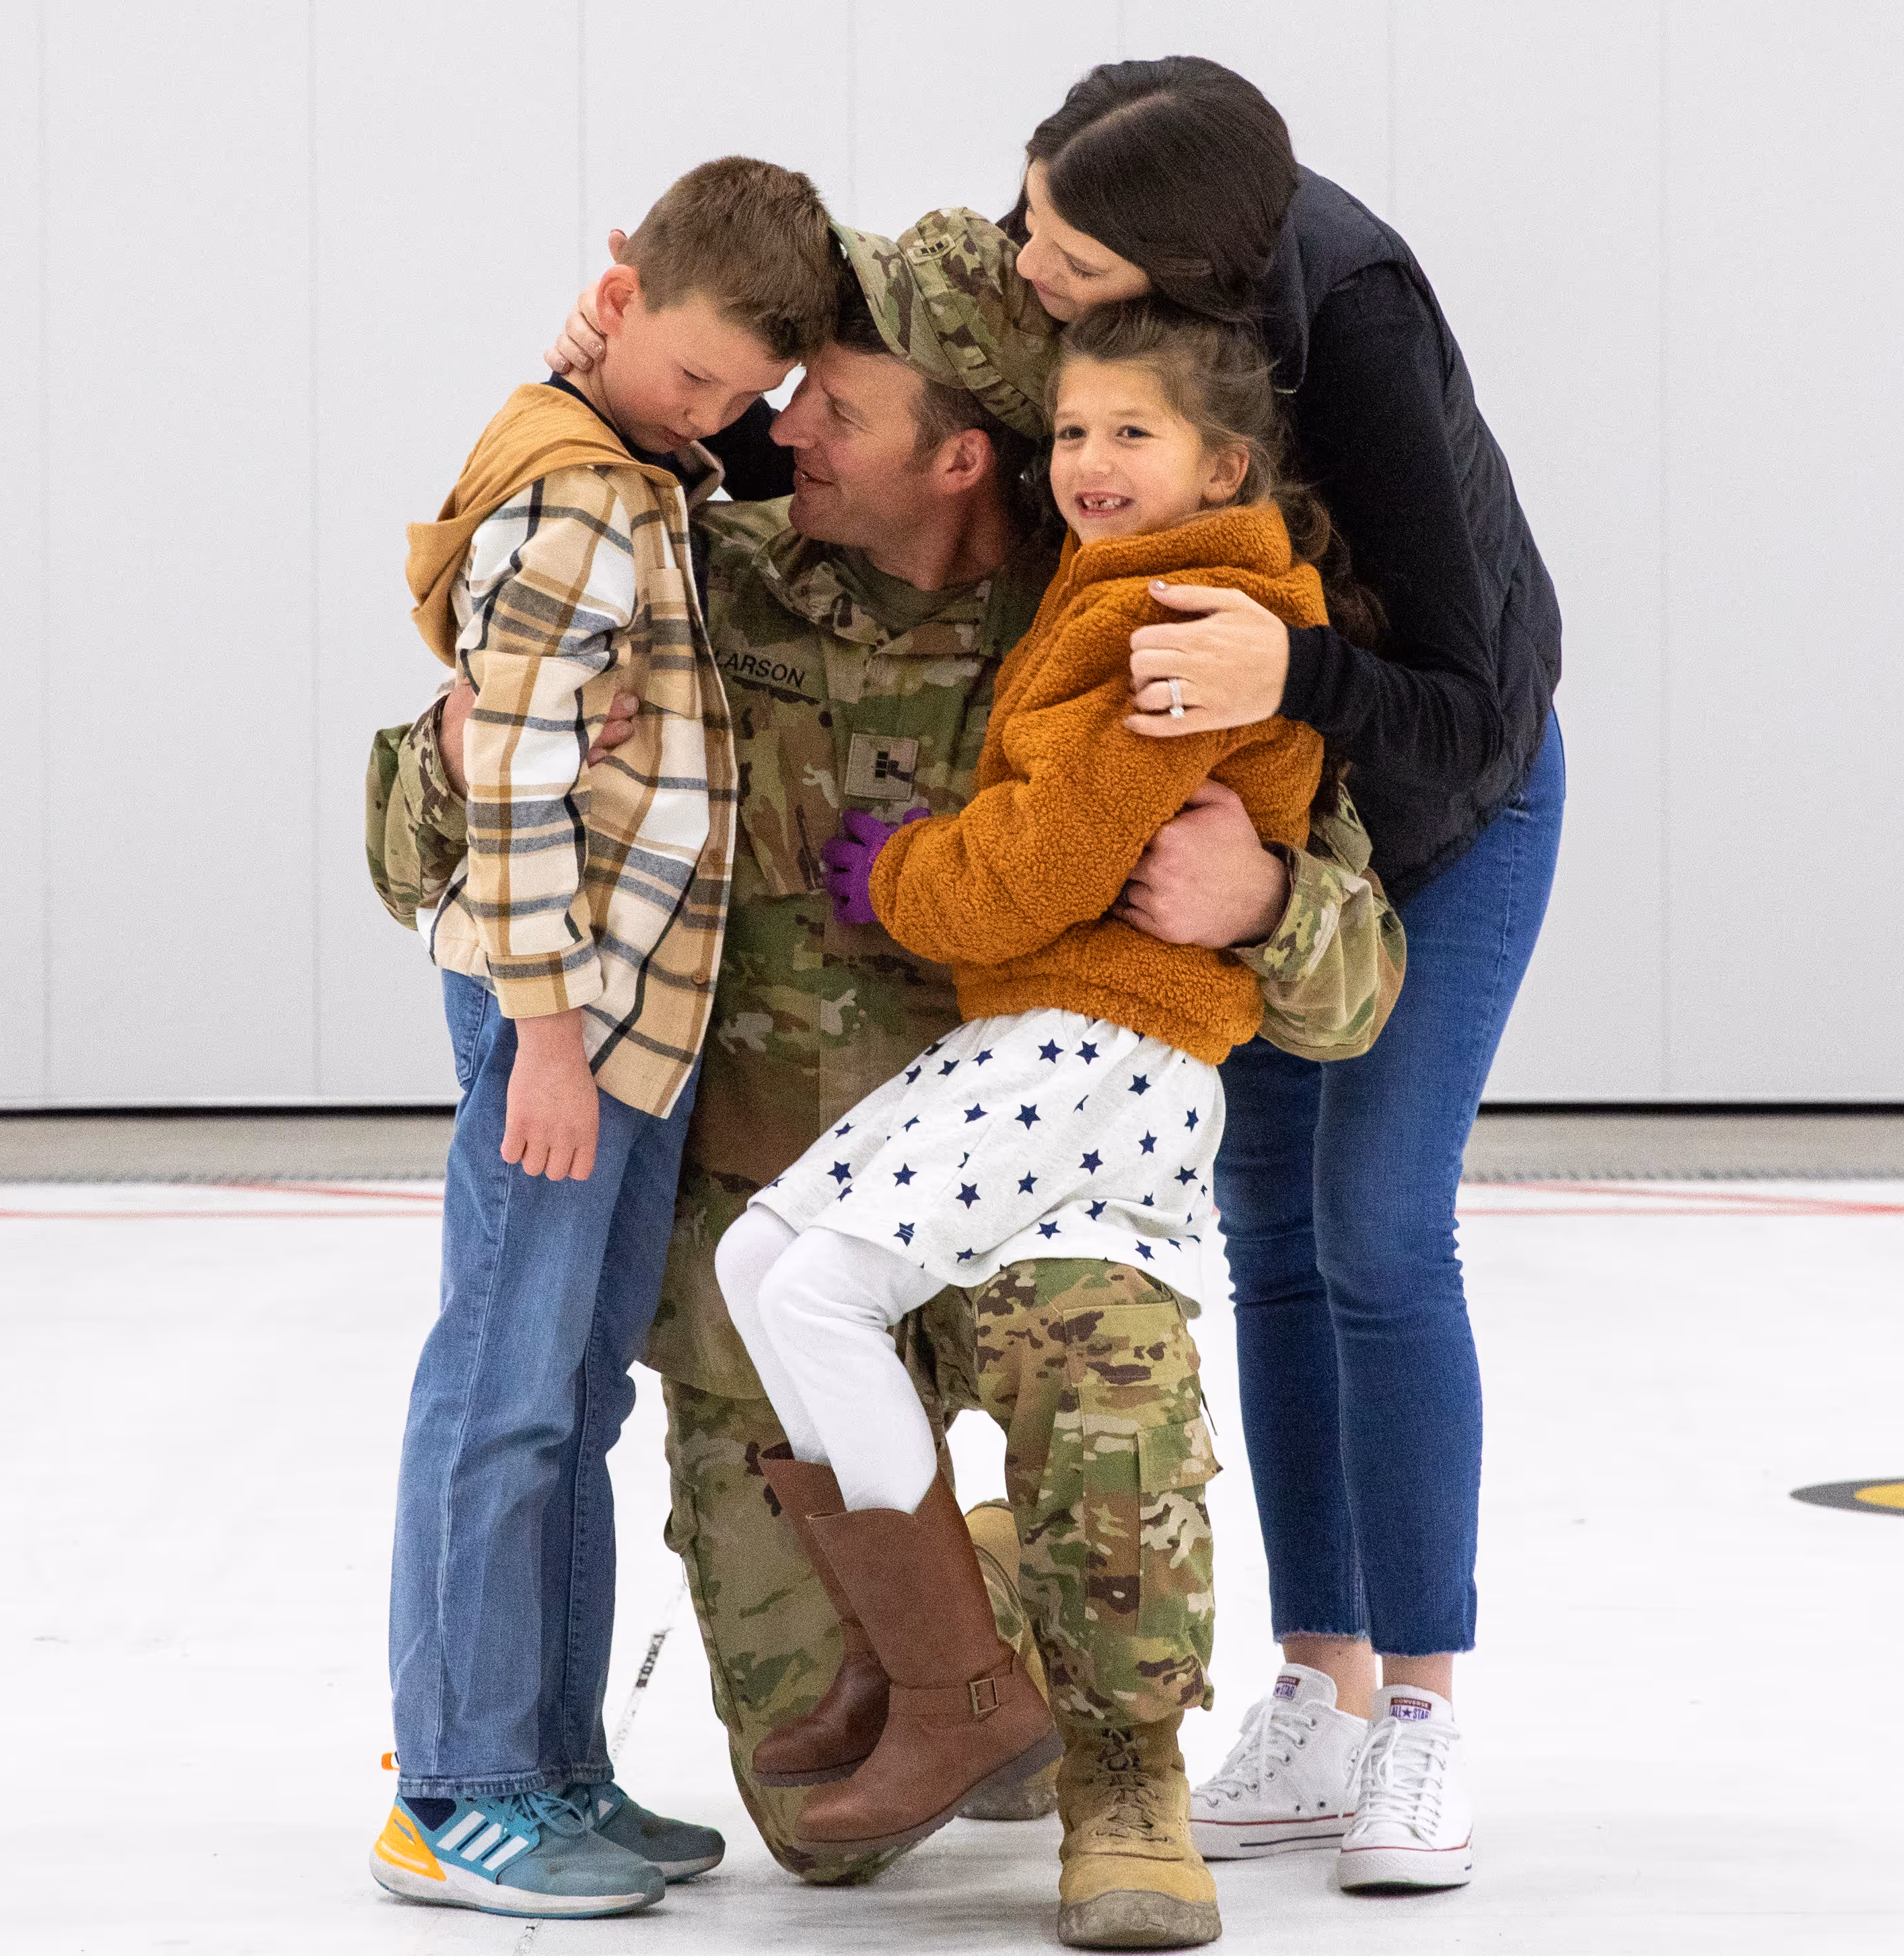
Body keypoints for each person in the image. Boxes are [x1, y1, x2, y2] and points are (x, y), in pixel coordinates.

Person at [372, 208, 1401, 1949]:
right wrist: (465, 745)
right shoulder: (703, 584)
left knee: (1111, 1374)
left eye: (833, 407)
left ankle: (1093, 1716)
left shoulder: (1126, 618)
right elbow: (425, 861)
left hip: (1020, 1202)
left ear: (962, 454)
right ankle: (975, 1637)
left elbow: (1355, 980)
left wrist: (1271, 904)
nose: (784, 433)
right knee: (822, 1827)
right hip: (772, 1262)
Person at [1003, 59, 1566, 1895]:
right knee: (1271, 1233)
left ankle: (1419, 1716)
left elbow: (1472, 703)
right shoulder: (1103, 291)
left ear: (1177, 261)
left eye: (1058, 248)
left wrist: (1291, 694)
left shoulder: (1360, 323)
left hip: (1440, 809)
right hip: (1254, 826)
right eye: (1029, 218)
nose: (1026, 271)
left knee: (1381, 1232)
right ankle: (1313, 1683)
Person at [713, 296, 1344, 1890]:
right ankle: (916, 1647)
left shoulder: (1184, 621)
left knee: (832, 1301)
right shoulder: (1090, 588)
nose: (1089, 462)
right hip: (1016, 1046)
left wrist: (917, 878)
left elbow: (1051, 857)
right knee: (750, 1268)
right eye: (1076, 431)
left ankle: (999, 1712)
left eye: (1129, 433)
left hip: (1095, 1041)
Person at [367, 155, 835, 1923]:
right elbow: (513, 784)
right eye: (693, 374)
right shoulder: (574, 502)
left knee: (569, 1394)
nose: (709, 413)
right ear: (618, 287)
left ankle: (551, 1763)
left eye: (741, 397)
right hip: (557, 1021)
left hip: (636, 1023)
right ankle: (456, 1785)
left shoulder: (649, 466)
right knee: (500, 1394)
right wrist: (546, 1043)